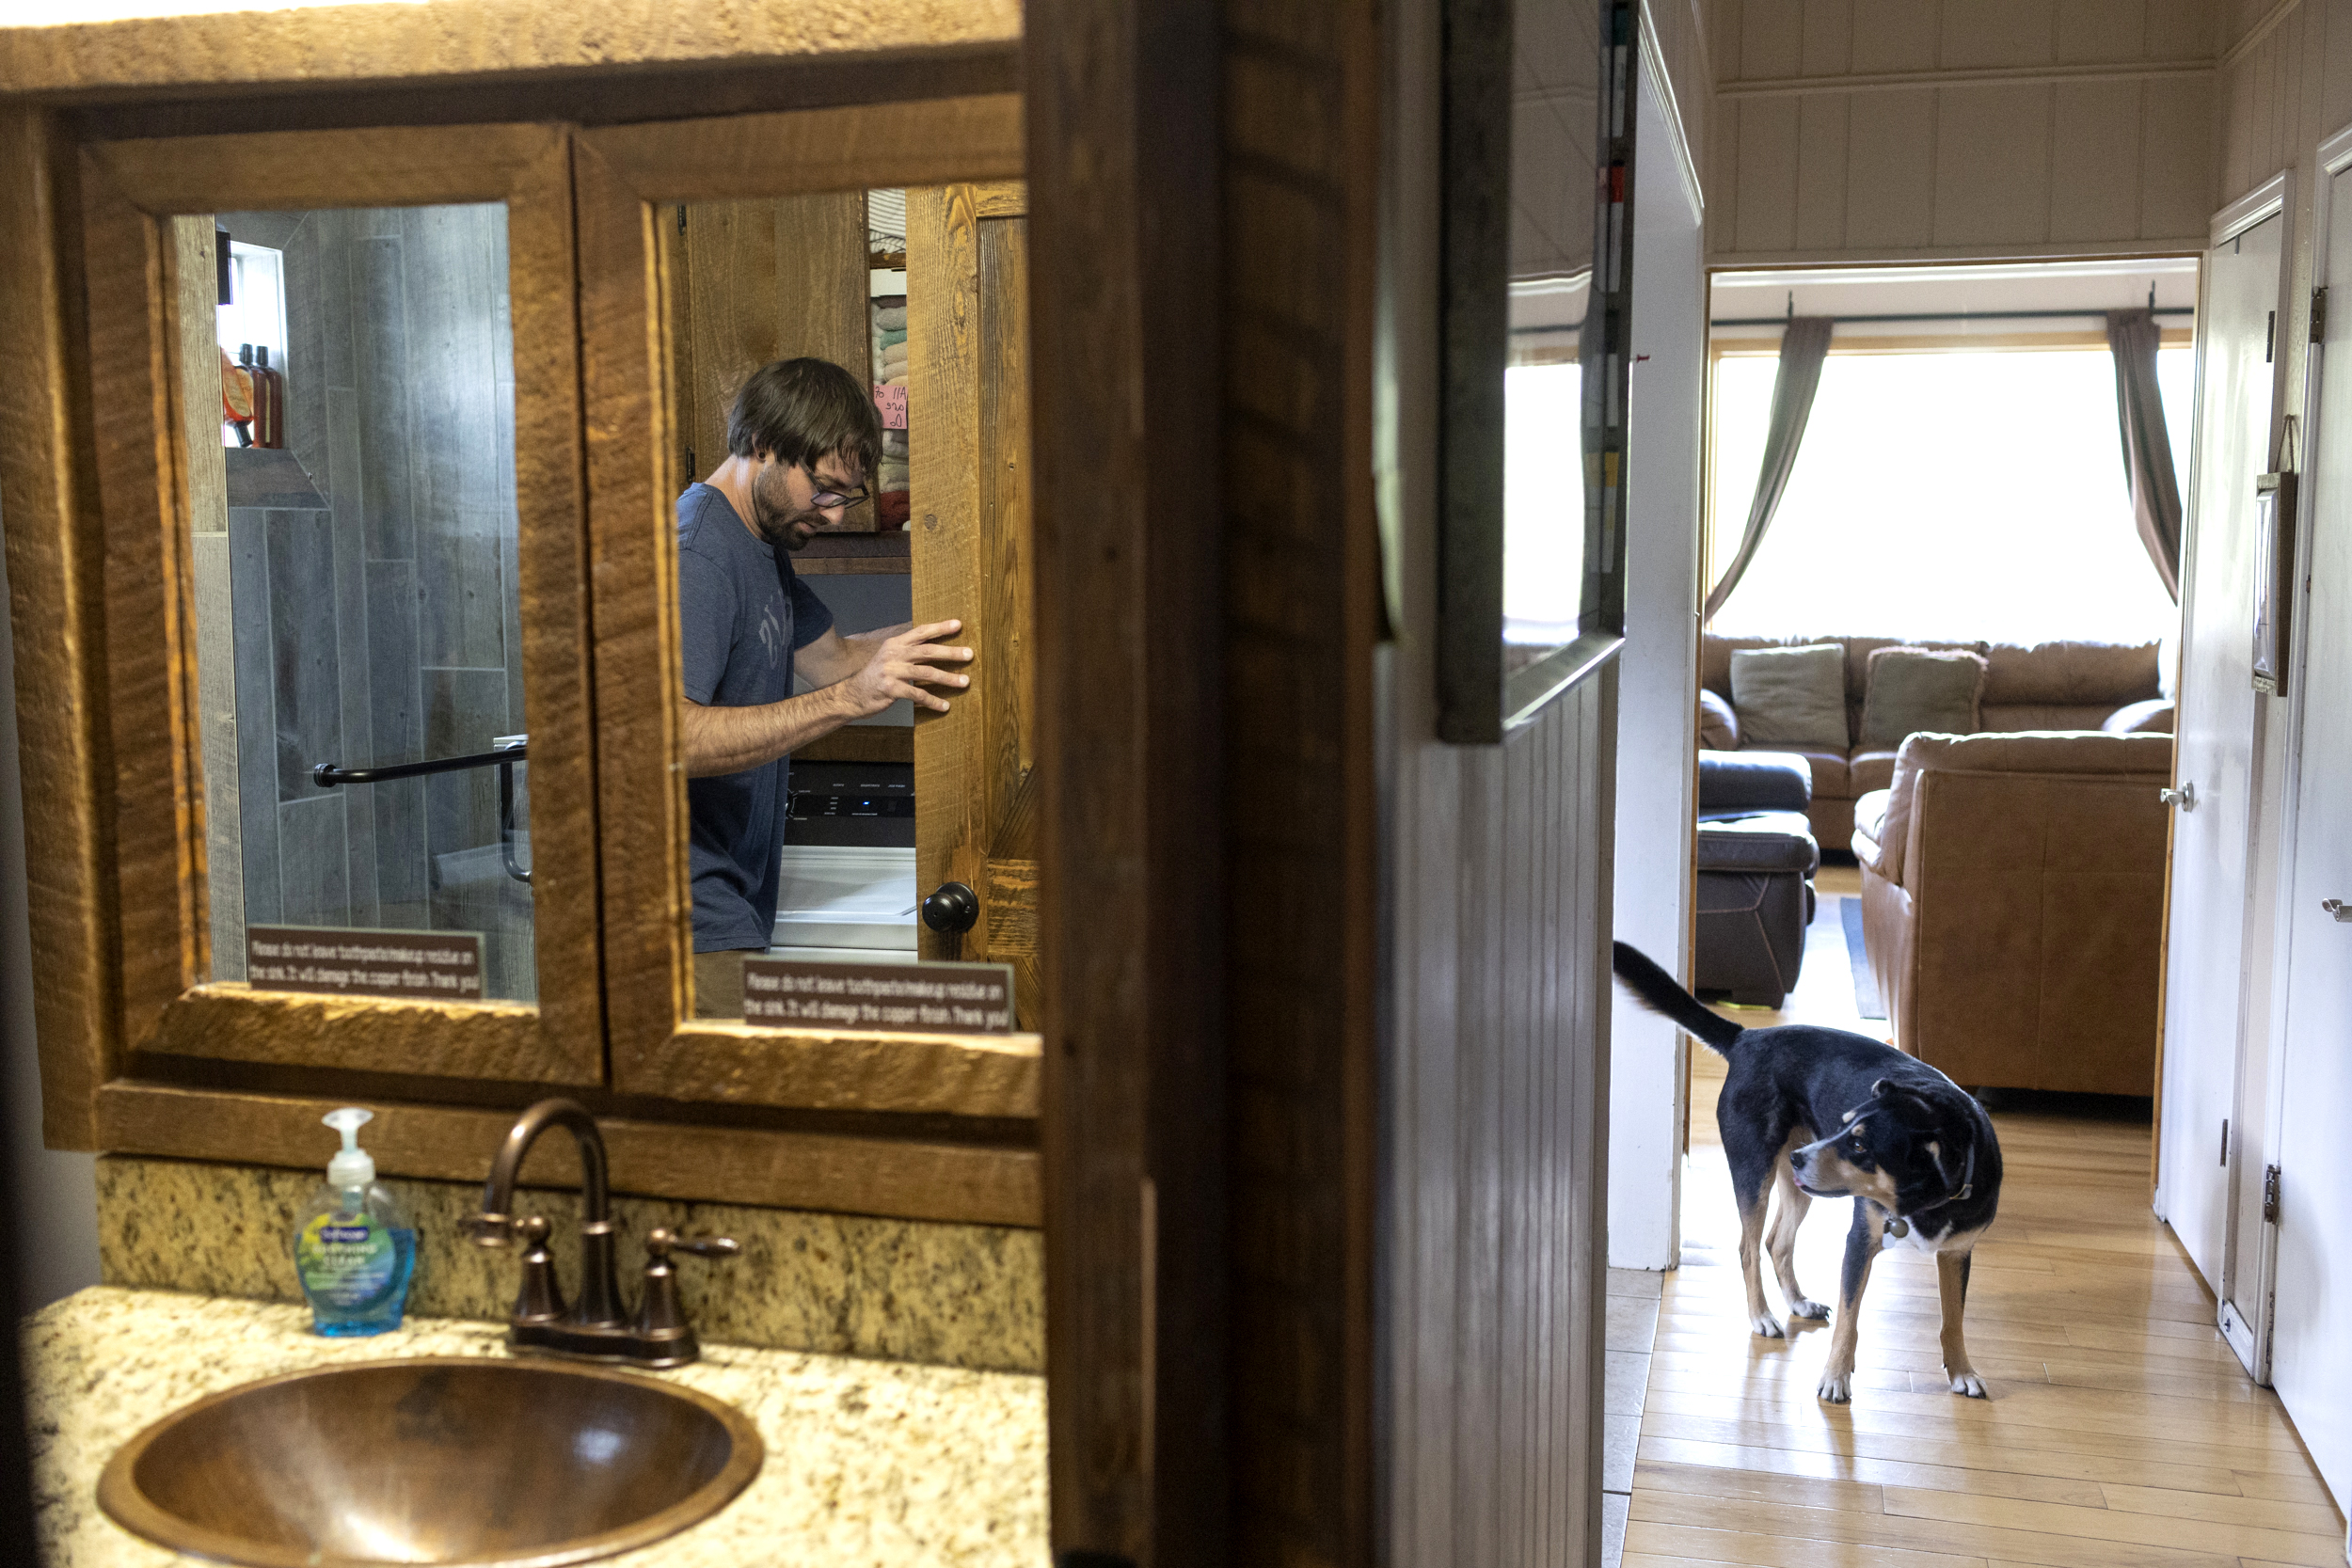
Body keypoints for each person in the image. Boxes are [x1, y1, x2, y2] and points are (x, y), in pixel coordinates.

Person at [675, 357, 971, 1015]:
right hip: (686, 919)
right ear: (762, 445)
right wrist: (852, 698)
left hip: (730, 907)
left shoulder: (760, 544)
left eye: (847, 497)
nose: (836, 516)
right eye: (826, 491)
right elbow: (671, 738)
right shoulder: (698, 552)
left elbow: (838, 657)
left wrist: (963, 634)